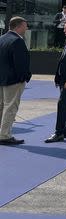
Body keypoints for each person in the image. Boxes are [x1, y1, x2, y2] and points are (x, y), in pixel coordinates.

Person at [0, 17, 32, 145]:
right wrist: (25, 77)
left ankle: (2, 132)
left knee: (2, 106)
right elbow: (20, 64)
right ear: (18, 26)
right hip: (13, 80)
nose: (26, 28)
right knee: (10, 107)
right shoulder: (17, 41)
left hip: (1, 79)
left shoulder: (1, 39)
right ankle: (4, 135)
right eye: (25, 26)